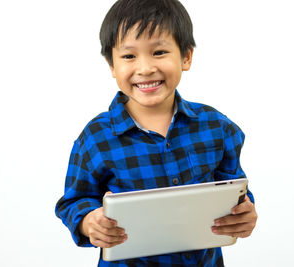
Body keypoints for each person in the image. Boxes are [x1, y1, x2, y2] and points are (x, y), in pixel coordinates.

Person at [55, 0, 258, 266]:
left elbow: (234, 190)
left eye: (159, 52)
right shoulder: (95, 138)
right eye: (129, 56)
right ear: (112, 65)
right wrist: (88, 221)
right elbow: (73, 201)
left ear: (186, 56)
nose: (145, 68)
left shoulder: (217, 127)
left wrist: (244, 212)